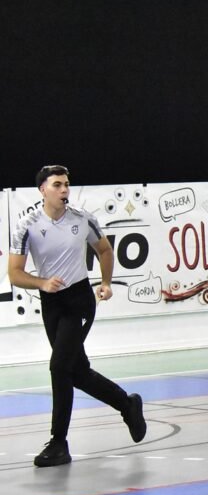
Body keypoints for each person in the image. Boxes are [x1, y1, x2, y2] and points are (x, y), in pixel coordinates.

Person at [7, 165, 147, 467]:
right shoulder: (27, 225)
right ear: (42, 190)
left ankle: (58, 442)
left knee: (59, 367)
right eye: (57, 185)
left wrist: (106, 283)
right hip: (51, 303)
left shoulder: (83, 219)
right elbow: (15, 273)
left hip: (79, 301)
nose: (64, 190)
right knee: (78, 373)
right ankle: (127, 404)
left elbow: (105, 250)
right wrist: (41, 283)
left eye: (66, 184)